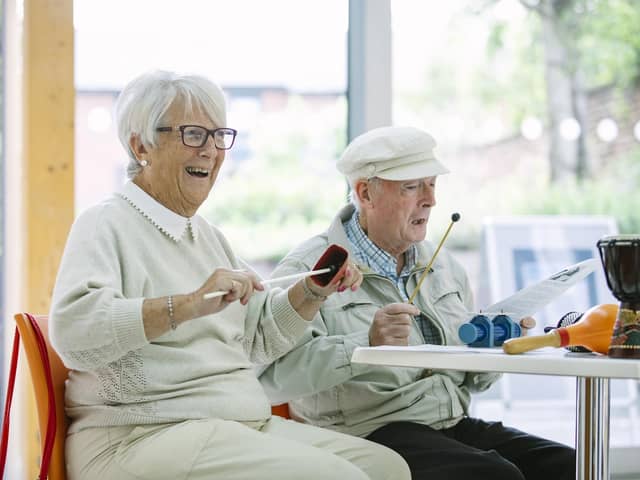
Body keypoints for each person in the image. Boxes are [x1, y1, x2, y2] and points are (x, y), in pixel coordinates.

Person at [49, 71, 411, 480]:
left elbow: (257, 339)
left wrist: (311, 292)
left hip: (233, 423)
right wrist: (186, 305)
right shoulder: (105, 223)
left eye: (218, 136)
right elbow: (74, 335)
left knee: (387, 468)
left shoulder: (206, 236)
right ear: (140, 145)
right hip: (139, 436)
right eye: (192, 135)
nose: (210, 151)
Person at [259, 126, 576, 480]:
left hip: (448, 422)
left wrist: (497, 344)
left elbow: (472, 380)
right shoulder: (310, 270)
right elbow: (275, 378)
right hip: (369, 431)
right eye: (412, 186)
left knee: (571, 467)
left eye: (432, 184)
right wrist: (366, 344)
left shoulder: (444, 267)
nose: (430, 199)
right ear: (365, 193)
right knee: (496, 476)